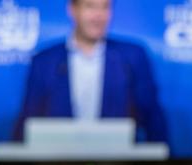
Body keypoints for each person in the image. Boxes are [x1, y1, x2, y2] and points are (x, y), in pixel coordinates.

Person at [13, 0, 168, 144]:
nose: (98, 16)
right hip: (58, 158)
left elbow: (153, 119)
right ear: (72, 9)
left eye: (104, 7)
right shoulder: (44, 61)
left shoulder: (133, 56)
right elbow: (27, 122)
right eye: (90, 6)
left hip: (117, 159)